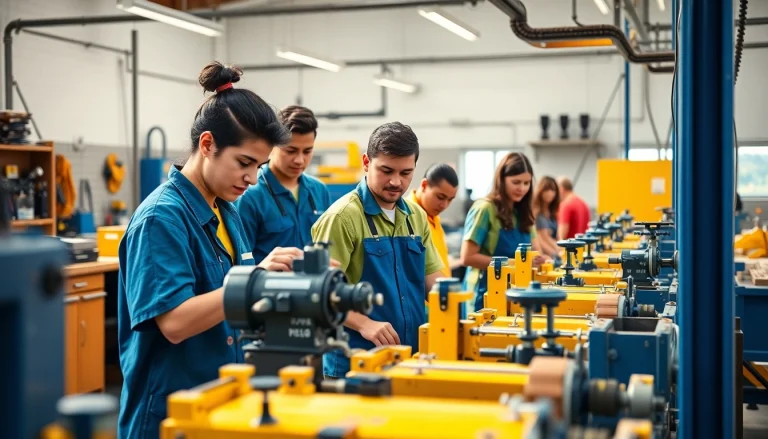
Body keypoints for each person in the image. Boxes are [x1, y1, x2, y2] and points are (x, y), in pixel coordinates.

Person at [116, 62, 303, 439]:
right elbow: (175, 322)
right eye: (244, 163)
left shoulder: (226, 211)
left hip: (221, 402)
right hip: (168, 412)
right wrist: (256, 281)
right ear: (207, 145)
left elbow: (231, 299)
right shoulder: (161, 219)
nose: (253, 178)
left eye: (260, 166)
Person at [311, 122, 445, 378]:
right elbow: (318, 292)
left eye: (406, 173)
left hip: (410, 360)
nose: (396, 181)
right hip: (355, 364)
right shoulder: (342, 218)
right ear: (366, 162)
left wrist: (459, 313)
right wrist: (364, 323)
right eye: (386, 170)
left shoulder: (415, 217)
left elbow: (434, 284)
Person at [236, 105, 332, 262]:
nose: (299, 160)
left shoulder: (319, 191)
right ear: (272, 146)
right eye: (291, 151)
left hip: (315, 285)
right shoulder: (250, 196)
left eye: (307, 151)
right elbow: (241, 261)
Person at [460, 152, 545, 312]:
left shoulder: (524, 213)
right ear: (502, 180)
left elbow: (536, 251)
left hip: (516, 292)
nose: (522, 188)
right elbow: (468, 257)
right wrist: (516, 263)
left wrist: (542, 260)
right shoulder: (485, 209)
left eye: (527, 183)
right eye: (516, 182)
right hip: (483, 293)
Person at [409, 163, 459, 277]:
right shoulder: (408, 216)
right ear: (424, 185)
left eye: (450, 200)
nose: (444, 205)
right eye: (440, 197)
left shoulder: (434, 217)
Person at [532, 176, 561, 260]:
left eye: (553, 190)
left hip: (552, 253)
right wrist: (557, 254)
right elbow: (542, 239)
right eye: (547, 189)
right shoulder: (537, 213)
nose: (550, 193)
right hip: (546, 256)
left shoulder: (551, 212)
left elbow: (552, 238)